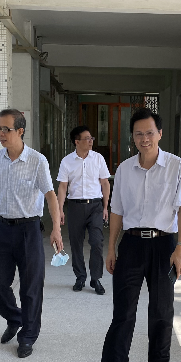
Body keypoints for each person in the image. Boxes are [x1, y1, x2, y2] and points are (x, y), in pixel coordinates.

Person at [96, 108, 181, 362]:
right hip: (132, 245)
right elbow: (117, 210)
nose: (144, 138)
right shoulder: (124, 169)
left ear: (160, 134)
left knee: (161, 311)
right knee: (123, 313)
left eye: (149, 132)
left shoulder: (177, 166)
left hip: (165, 245)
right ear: (133, 137)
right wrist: (111, 247)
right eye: (138, 134)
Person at [0, 108, 63, 358]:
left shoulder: (37, 160)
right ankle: (15, 318)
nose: (0, 133)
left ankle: (28, 336)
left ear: (20, 131)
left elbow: (50, 196)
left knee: (30, 287)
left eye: (5, 129)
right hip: (3, 229)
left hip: (29, 230)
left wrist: (56, 229)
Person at [57, 125, 110, 294]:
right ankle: (80, 277)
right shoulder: (67, 161)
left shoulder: (98, 159)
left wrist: (105, 206)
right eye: (87, 138)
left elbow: (105, 183)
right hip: (75, 207)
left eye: (91, 138)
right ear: (77, 141)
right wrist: (60, 210)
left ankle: (96, 279)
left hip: (95, 206)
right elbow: (63, 187)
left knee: (97, 242)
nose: (90, 141)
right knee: (76, 243)